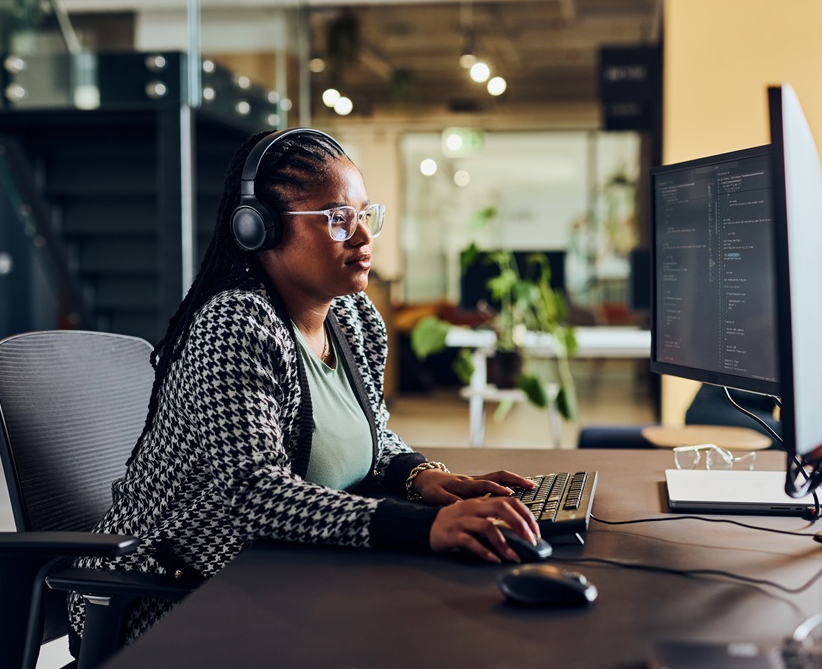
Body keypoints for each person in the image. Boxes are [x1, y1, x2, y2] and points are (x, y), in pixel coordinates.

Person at [68, 127, 541, 649]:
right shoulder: (236, 326)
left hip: (286, 570)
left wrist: (421, 478)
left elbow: (373, 437)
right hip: (166, 593)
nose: (363, 236)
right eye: (338, 219)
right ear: (260, 230)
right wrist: (419, 528)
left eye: (365, 215)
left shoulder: (355, 318)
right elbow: (256, 495)